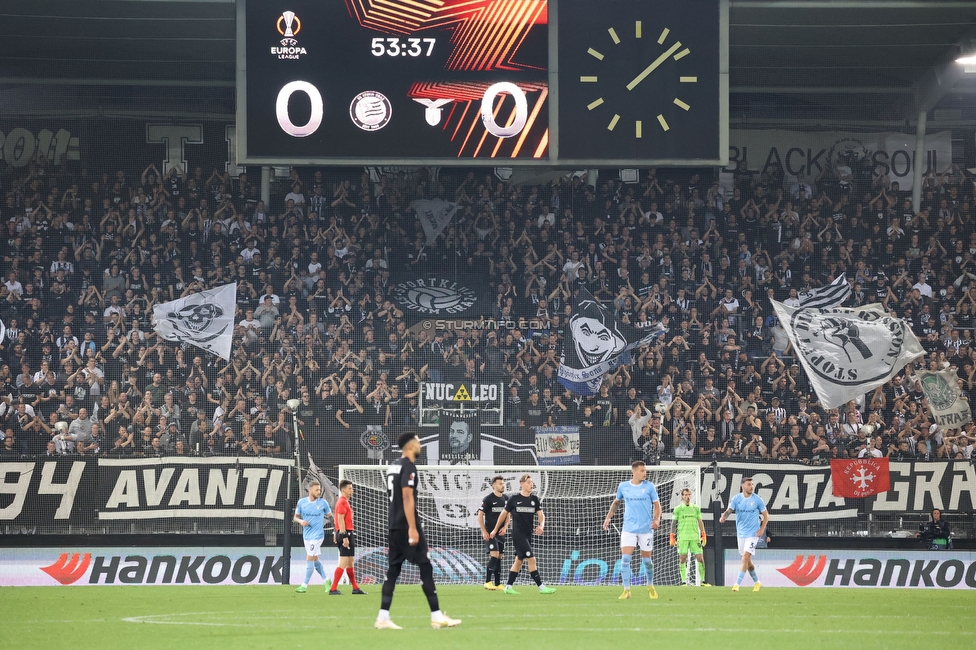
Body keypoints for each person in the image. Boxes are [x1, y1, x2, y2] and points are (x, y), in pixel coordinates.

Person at [375, 432, 461, 630]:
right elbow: (407, 497)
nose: (420, 445)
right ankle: (437, 616)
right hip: (406, 525)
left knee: (393, 571)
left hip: (394, 525)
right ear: (411, 445)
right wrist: (413, 528)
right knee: (425, 566)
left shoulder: (393, 465)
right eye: (418, 442)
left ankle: (382, 617)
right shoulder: (408, 466)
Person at [602, 461, 661, 599]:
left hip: (646, 529)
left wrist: (657, 519)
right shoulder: (623, 486)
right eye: (642, 470)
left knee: (647, 561)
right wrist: (608, 518)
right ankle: (627, 590)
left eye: (645, 470)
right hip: (628, 529)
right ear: (634, 472)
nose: (645, 473)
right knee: (625, 559)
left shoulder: (650, 487)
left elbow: (657, 505)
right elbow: (616, 502)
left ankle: (650, 586)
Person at [490, 474, 556, 595]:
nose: (531, 484)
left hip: (528, 535)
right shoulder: (513, 499)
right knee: (532, 559)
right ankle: (541, 587)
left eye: (532, 482)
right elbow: (503, 515)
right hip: (518, 535)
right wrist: (495, 530)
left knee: (519, 561)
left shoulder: (534, 499)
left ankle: (508, 587)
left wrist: (541, 525)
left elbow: (541, 515)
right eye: (529, 482)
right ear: (522, 484)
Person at [719, 476, 768, 592]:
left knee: (745, 557)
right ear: (743, 486)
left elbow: (766, 516)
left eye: (752, 484)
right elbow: (729, 510)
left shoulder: (757, 500)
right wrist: (723, 517)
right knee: (747, 561)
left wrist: (762, 529)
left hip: (753, 534)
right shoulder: (736, 499)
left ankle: (736, 584)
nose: (751, 487)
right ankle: (757, 582)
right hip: (741, 534)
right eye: (749, 484)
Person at [293, 480, 332, 593]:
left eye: (319, 489)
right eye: (317, 490)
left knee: (309, 558)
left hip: (318, 536)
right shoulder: (302, 503)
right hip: (307, 536)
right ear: (309, 491)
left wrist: (337, 531)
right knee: (315, 560)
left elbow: (330, 517)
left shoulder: (323, 503)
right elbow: (295, 518)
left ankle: (304, 586)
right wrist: (301, 521)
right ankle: (326, 580)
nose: (319, 492)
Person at [331, 479, 367, 595]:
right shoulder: (342, 502)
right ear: (343, 490)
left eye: (352, 488)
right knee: (343, 562)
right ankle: (333, 589)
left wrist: (336, 532)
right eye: (349, 488)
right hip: (346, 534)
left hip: (346, 533)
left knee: (350, 563)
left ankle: (355, 588)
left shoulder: (344, 501)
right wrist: (344, 536)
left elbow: (336, 519)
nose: (352, 490)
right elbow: (340, 519)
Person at [669, 487, 708, 586]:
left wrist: (703, 534)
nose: (687, 497)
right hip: (683, 537)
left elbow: (700, 522)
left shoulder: (696, 508)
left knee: (700, 558)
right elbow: (674, 523)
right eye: (685, 495)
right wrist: (672, 536)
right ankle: (683, 581)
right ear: (682, 496)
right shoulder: (678, 509)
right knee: (682, 559)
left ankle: (703, 581)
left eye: (689, 494)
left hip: (695, 537)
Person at [478, 475, 508, 590]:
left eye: (503, 483)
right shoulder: (488, 499)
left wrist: (505, 527)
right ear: (494, 486)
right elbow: (480, 515)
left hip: (501, 533)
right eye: (500, 483)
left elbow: (508, 515)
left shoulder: (506, 499)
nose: (503, 485)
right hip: (490, 533)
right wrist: (484, 531)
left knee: (499, 557)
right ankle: (487, 581)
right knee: (494, 556)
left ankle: (498, 583)